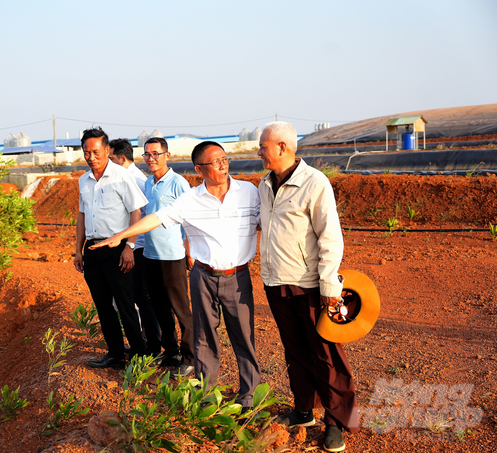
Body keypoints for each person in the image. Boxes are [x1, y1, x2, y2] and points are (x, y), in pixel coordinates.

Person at [90, 141, 261, 410]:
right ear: (199, 168)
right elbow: (157, 217)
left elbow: (267, 222)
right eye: (215, 162)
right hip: (203, 276)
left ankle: (248, 397)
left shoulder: (249, 192)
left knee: (243, 336)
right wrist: (122, 236)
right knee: (204, 338)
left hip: (237, 277)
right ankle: (206, 395)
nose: (223, 165)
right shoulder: (191, 199)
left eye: (224, 159)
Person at [256, 122, 358, 452]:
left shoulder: (314, 183)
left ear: (283, 147)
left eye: (263, 147)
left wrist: (329, 283)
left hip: (310, 285)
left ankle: (336, 421)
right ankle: (303, 410)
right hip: (276, 281)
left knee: (325, 354)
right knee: (295, 349)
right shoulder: (264, 184)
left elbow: (330, 237)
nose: (260, 152)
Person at [74, 127, 148, 369]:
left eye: (96, 151)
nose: (91, 157)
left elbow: (135, 211)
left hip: (117, 248)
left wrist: (129, 246)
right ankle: (115, 353)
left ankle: (138, 355)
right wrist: (78, 250)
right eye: (87, 152)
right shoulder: (83, 181)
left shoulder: (121, 176)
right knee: (103, 305)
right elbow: (82, 216)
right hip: (93, 251)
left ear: (107, 150)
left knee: (125, 303)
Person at [141, 137, 195, 376]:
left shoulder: (178, 183)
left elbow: (191, 220)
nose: (151, 159)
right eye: (147, 155)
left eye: (155, 154)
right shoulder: (147, 184)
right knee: (160, 306)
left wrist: (189, 251)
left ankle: (190, 356)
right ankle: (171, 351)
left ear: (167, 155)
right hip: (150, 255)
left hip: (173, 256)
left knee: (180, 307)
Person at [108, 138, 161, 357]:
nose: (108, 163)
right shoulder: (129, 177)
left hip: (138, 247)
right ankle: (146, 341)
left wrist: (131, 245)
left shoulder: (134, 180)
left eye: (111, 159)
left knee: (141, 297)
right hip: (133, 245)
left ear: (121, 159)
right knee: (135, 297)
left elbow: (145, 215)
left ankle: (152, 344)